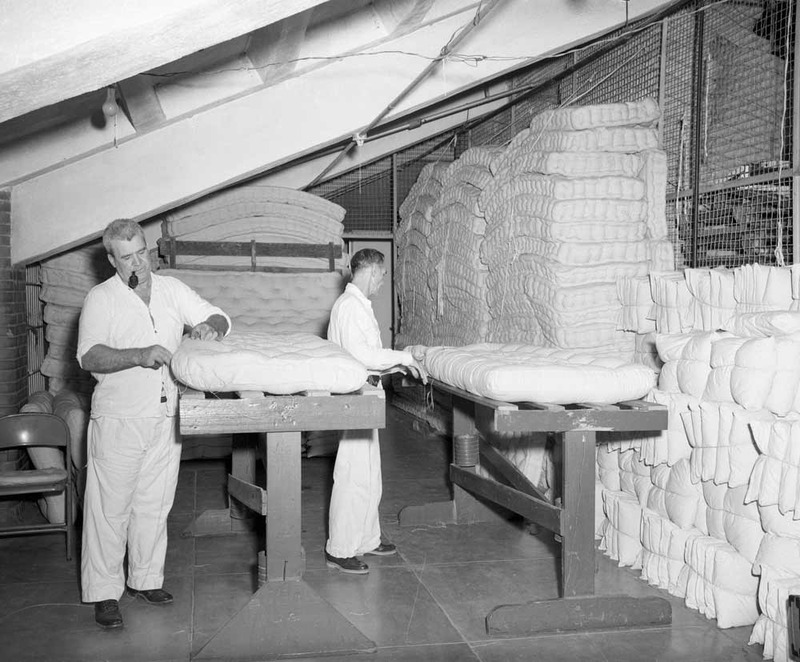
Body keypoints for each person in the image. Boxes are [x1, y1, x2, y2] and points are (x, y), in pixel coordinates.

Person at [77, 219, 231, 629]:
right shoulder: (101, 298)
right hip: (119, 418)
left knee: (154, 503)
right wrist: (138, 354)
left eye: (141, 252)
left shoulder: (171, 290)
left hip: (166, 415)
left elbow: (219, 316)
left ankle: (144, 579)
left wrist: (208, 327)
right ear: (111, 259)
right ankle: (104, 592)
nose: (137, 262)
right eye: (126, 256)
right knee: (109, 509)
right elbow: (89, 356)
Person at [325, 248, 427, 574]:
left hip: (366, 392)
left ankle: (367, 539)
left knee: (369, 475)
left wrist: (397, 367)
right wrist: (405, 359)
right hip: (354, 396)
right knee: (352, 475)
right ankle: (340, 548)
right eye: (382, 275)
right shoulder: (349, 307)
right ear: (371, 271)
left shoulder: (358, 306)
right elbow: (363, 355)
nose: (383, 282)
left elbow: (369, 357)